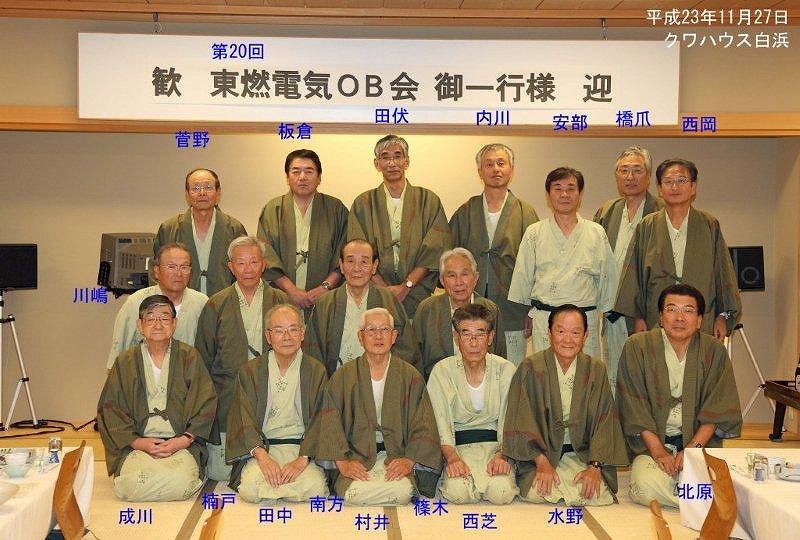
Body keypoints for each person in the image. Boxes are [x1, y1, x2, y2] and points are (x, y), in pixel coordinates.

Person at [616, 284, 742, 508]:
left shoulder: (714, 351)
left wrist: (692, 448)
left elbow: (717, 407)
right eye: (672, 309)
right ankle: (698, 502)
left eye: (688, 310)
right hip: (651, 446)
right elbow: (633, 406)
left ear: (699, 320)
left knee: (711, 482)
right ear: (660, 317)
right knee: (644, 487)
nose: (679, 317)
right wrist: (658, 452)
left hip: (698, 443)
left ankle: (691, 496)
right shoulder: (637, 346)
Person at [314, 308, 442, 505]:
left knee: (401, 491)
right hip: (357, 457)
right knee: (354, 493)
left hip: (396, 456)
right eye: (371, 330)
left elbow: (424, 424)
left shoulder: (410, 376)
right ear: (360, 337)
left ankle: (385, 489)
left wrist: (409, 461)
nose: (378, 336)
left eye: (384, 329)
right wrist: (344, 464)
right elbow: (330, 424)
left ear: (394, 336)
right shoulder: (343, 376)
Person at [503, 304, 628, 507]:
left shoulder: (596, 369)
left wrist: (595, 466)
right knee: (537, 492)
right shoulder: (531, 367)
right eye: (560, 331)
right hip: (542, 455)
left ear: (585, 335)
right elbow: (521, 419)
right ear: (549, 332)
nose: (568, 339)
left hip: (583, 455)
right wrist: (541, 462)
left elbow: (605, 421)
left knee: (596, 494)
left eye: (575, 332)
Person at [97, 294, 217, 502]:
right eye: (150, 318)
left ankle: (172, 480)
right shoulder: (125, 362)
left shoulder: (189, 357)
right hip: (138, 445)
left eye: (164, 318)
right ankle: (164, 480)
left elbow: (206, 402)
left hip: (180, 444)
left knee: (181, 481)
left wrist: (183, 440)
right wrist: (138, 442)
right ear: (140, 325)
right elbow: (110, 409)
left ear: (174, 323)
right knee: (132, 483)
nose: (158, 324)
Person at [614, 158, 742, 340]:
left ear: (693, 187)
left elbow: (723, 274)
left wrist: (722, 316)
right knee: (658, 356)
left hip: (700, 316)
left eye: (681, 180)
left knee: (698, 357)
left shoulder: (708, 224)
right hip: (656, 317)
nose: (675, 187)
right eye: (668, 182)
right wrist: (638, 317)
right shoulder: (647, 226)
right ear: (660, 188)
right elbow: (634, 278)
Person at [195, 236, 289, 481]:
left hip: (272, 391)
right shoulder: (216, 304)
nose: (248, 269)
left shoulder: (280, 300)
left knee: (272, 464)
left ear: (263, 264)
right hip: (227, 394)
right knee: (220, 473)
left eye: (254, 262)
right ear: (231, 267)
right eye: (241, 263)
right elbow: (203, 358)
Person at [508, 167, 616, 359]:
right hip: (546, 319)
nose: (564, 194)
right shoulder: (534, 232)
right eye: (557, 188)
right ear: (548, 194)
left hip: (584, 320)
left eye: (571, 189)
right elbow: (522, 280)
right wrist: (526, 314)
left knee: (585, 373)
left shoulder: (596, 232)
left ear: (580, 194)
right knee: (546, 372)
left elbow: (608, 282)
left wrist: (608, 316)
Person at [226, 304, 328, 503]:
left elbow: (322, 420)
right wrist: (262, 457)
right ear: (268, 336)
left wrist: (302, 460)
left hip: (301, 449)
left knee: (315, 487)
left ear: (302, 334)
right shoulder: (250, 371)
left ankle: (275, 489)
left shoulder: (316, 370)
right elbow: (243, 418)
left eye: (293, 329)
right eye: (279, 331)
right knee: (250, 488)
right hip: (264, 449)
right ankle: (284, 489)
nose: (287, 337)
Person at [450, 143, 539, 365]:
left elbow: (537, 266)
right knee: (469, 367)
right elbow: (450, 259)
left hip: (513, 307)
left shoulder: (525, 212)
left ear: (511, 169)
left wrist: (531, 310)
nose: (496, 169)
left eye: (501, 163)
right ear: (480, 171)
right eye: (489, 164)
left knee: (510, 368)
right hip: (470, 308)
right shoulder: (465, 211)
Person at [348, 134, 451, 318]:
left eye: (397, 156)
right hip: (374, 289)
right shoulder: (363, 203)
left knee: (416, 333)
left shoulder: (428, 200)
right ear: (376, 163)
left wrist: (407, 286)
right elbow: (357, 250)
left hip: (417, 290)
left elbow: (435, 249)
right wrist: (383, 288)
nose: (392, 163)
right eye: (385, 157)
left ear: (406, 161)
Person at [426, 304, 517, 505]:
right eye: (466, 334)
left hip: (496, 448)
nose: (473, 342)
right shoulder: (442, 371)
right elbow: (439, 420)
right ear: (456, 337)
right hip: (457, 448)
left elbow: (511, 419)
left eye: (480, 334)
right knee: (458, 493)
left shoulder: (505, 370)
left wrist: (502, 455)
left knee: (501, 493)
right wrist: (452, 458)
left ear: (490, 337)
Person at [593, 146, 664, 388]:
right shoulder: (607, 211)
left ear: (648, 176)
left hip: (646, 311)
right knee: (614, 374)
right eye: (624, 171)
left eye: (637, 170)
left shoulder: (661, 211)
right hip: (612, 311)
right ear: (616, 176)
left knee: (647, 377)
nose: (630, 177)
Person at [304, 238, 415, 377]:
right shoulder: (325, 303)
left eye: (364, 262)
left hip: (379, 381)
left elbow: (406, 348)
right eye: (350, 261)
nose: (357, 268)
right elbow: (313, 352)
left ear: (374, 266)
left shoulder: (388, 300)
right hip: (336, 381)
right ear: (341, 265)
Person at [257, 149, 348, 315]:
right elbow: (266, 254)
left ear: (319, 177)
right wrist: (291, 290)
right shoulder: (272, 209)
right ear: (287, 177)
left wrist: (324, 287)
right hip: (282, 295)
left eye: (309, 171)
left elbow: (344, 254)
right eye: (296, 171)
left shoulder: (336, 209)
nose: (302, 177)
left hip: (326, 297)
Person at [106, 242, 208, 369]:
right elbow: (118, 354)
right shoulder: (136, 302)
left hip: (189, 376)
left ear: (190, 271)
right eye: (171, 267)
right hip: (144, 377)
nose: (178, 273)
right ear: (156, 271)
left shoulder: (202, 303)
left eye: (184, 267)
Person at [412, 248, 506, 380]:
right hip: (438, 384)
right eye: (451, 276)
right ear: (442, 280)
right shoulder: (427, 310)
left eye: (464, 274)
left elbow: (500, 357)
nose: (459, 282)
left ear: (476, 278)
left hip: (482, 383)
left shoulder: (490, 309)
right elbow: (415, 359)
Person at [153, 168, 247, 296]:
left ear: (218, 193)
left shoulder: (234, 228)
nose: (202, 193)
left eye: (208, 187)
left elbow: (245, 271)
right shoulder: (169, 228)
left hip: (224, 302)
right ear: (187, 194)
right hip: (179, 301)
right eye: (195, 188)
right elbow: (156, 271)